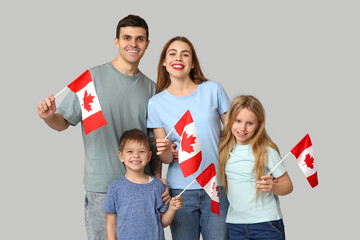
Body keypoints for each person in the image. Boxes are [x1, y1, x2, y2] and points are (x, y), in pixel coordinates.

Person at [37, 14, 170, 240]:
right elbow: (62, 123)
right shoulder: (92, 78)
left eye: (140, 39)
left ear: (147, 44)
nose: (133, 44)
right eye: (127, 37)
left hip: (142, 187)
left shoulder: (151, 89)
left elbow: (153, 144)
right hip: (101, 187)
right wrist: (49, 117)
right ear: (116, 41)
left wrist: (157, 178)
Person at [147, 36, 231, 240]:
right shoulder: (156, 103)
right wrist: (167, 151)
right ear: (164, 63)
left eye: (185, 54)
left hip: (215, 183)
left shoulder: (212, 90)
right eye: (172, 54)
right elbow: (165, 158)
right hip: (180, 189)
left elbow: (233, 133)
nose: (179, 58)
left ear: (192, 63)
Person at [218, 95, 294, 240]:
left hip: (266, 223)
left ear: (258, 125)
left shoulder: (266, 150)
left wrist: (273, 186)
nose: (242, 128)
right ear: (230, 120)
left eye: (249, 123)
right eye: (238, 121)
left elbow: (288, 185)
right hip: (236, 224)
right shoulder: (224, 148)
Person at [103, 128, 182, 240]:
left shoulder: (157, 186)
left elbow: (163, 223)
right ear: (121, 156)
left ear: (149, 156)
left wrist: (172, 209)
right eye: (130, 151)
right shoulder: (115, 188)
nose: (136, 155)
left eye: (142, 151)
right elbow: (111, 225)